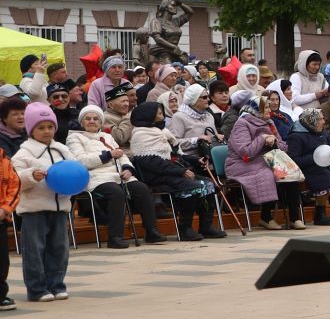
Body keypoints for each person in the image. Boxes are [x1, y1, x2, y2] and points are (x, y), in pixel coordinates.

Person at [126, 101, 225, 240]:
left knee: (208, 184)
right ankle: (185, 228)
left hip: (172, 171)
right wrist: (180, 171)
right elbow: (151, 163)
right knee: (193, 187)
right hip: (156, 176)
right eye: (159, 113)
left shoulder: (164, 132)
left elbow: (177, 155)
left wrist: (196, 160)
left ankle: (206, 227)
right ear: (149, 115)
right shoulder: (141, 134)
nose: (162, 115)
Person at [68, 105, 160, 248]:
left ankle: (151, 231)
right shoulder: (74, 137)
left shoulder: (107, 136)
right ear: (82, 122)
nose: (92, 121)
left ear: (100, 122)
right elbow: (81, 161)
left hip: (118, 175)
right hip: (95, 177)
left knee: (141, 188)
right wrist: (107, 155)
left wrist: (128, 169)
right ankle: (115, 236)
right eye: (88, 119)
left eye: (96, 119)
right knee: (116, 193)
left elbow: (121, 156)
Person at [13, 102, 75, 299]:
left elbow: (75, 173)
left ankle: (57, 285)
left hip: (60, 208)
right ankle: (37, 289)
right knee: (34, 251)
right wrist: (31, 176)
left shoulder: (63, 150)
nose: (47, 131)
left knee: (59, 249)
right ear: (31, 129)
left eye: (50, 127)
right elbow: (15, 182)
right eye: (41, 127)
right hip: (34, 210)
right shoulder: (24, 153)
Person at [228, 89, 304, 229]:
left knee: (288, 171)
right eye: (266, 107)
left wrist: (274, 142)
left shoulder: (269, 122)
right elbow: (245, 152)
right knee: (269, 174)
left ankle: (295, 217)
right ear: (256, 109)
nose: (270, 109)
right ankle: (266, 217)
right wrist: (263, 139)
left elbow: (283, 146)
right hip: (242, 163)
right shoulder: (242, 124)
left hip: (266, 159)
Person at [287, 107, 330, 225]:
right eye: (321, 119)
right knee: (324, 177)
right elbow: (294, 160)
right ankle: (320, 213)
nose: (323, 122)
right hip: (308, 167)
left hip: (326, 163)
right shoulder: (296, 136)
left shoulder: (322, 133)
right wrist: (315, 156)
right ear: (312, 121)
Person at [0, 143, 16, 308]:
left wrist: (5, 208)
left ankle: (0, 295)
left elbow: (14, 186)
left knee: (2, 261)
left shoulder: (4, 160)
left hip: (1, 218)